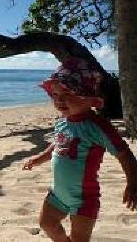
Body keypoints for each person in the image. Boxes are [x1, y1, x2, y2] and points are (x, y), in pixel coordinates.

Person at [22, 57, 137, 242]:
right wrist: (39, 158)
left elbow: (124, 154)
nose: (59, 101)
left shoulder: (98, 126)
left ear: (89, 99)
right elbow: (58, 145)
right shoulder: (62, 122)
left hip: (84, 199)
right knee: (47, 224)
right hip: (58, 193)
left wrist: (132, 182)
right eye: (55, 96)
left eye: (67, 94)